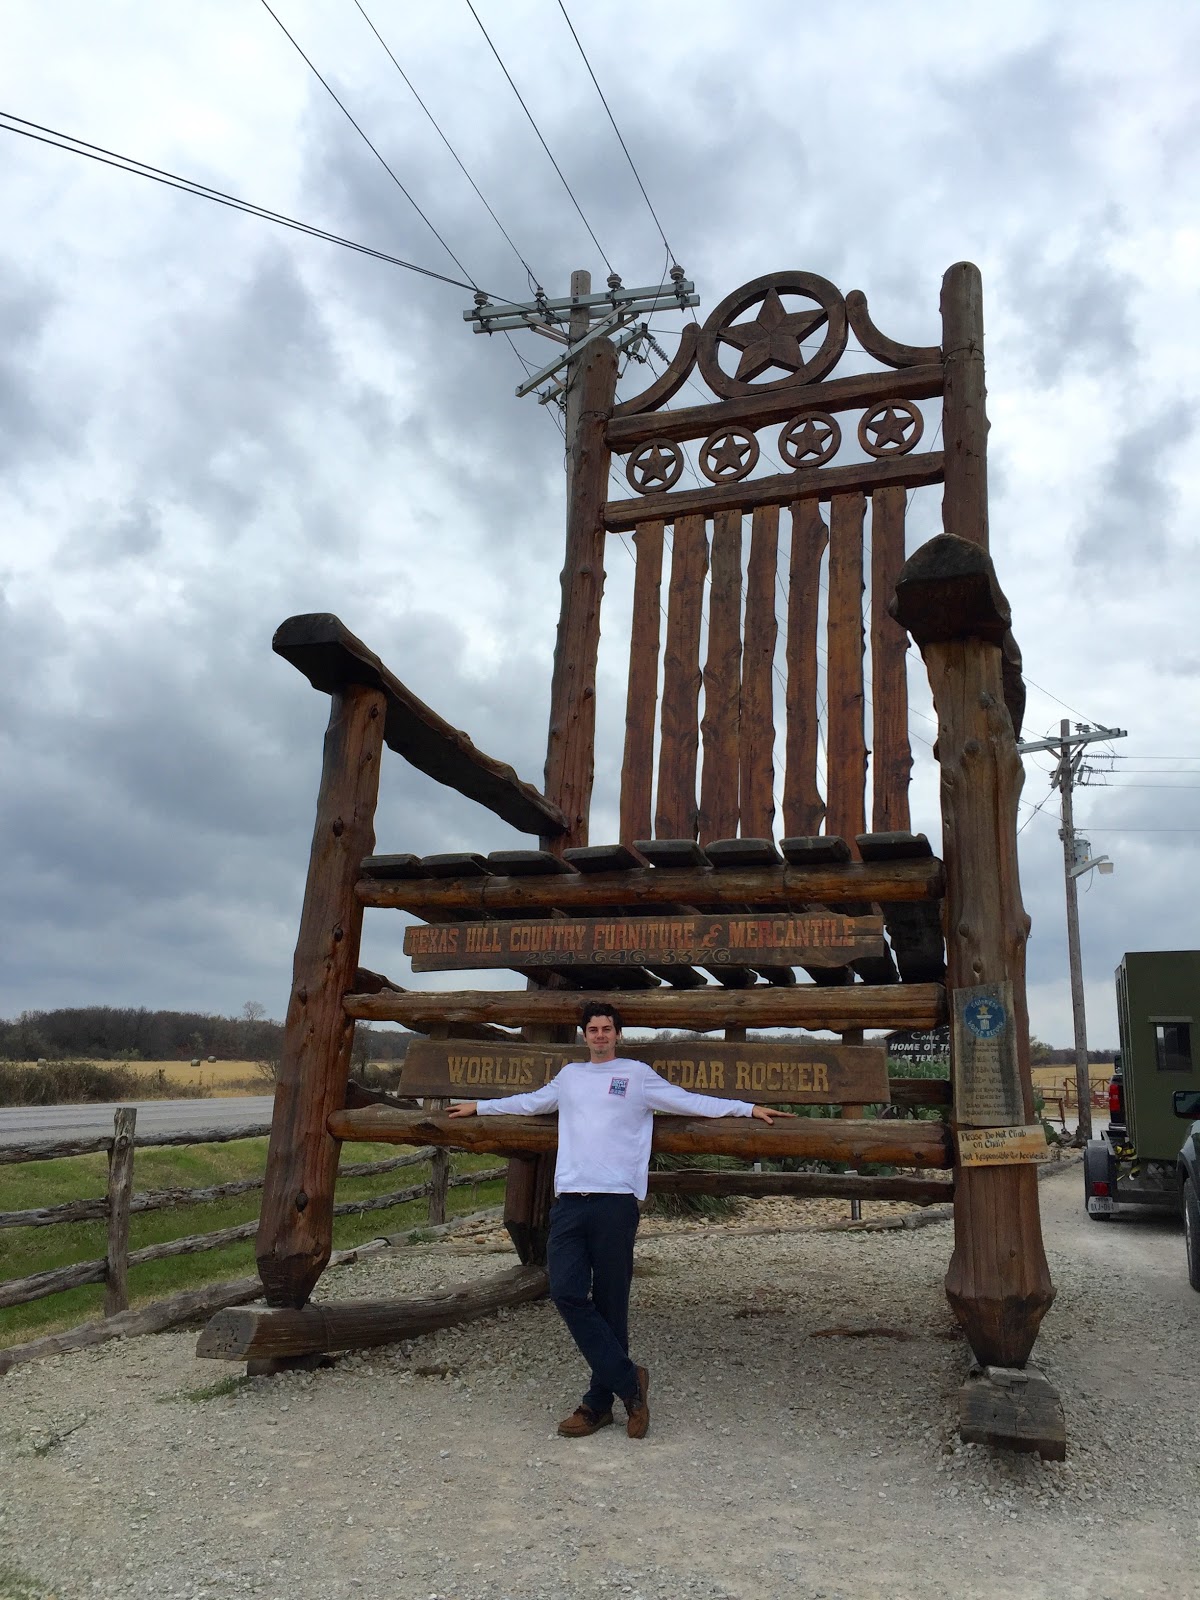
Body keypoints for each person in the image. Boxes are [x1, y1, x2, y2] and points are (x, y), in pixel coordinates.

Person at [448, 1001, 793, 1440]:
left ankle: (597, 1405)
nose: (600, 1035)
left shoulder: (636, 1076)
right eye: (593, 1029)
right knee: (565, 1290)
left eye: (606, 1029)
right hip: (570, 1202)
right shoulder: (570, 1077)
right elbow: (530, 1101)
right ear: (584, 1035)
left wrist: (746, 1109)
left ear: (617, 1034)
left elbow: (688, 1101)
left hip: (616, 1202)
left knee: (612, 1303)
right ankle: (631, 1383)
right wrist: (479, 1107)